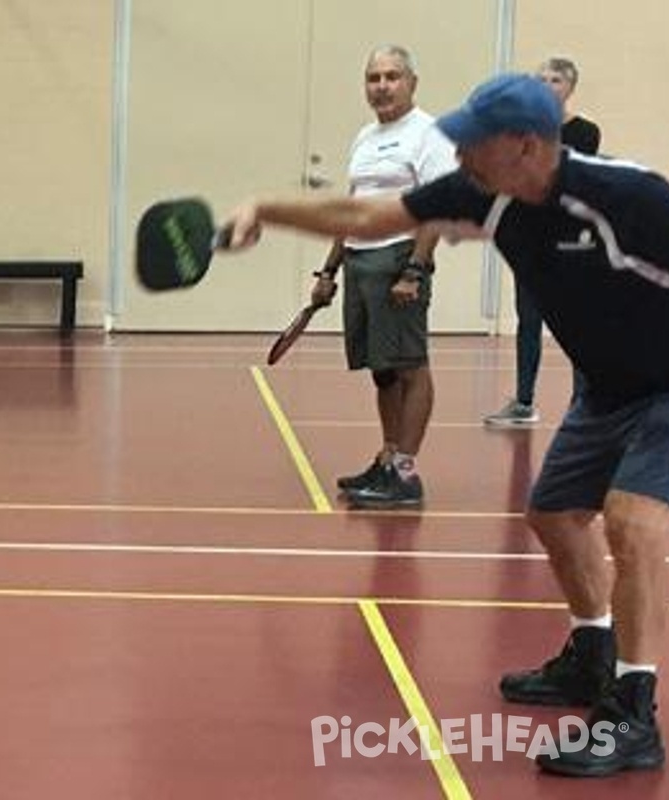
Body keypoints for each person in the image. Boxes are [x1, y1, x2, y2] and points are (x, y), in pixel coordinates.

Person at [223, 73, 669, 778]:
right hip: (608, 387)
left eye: (472, 142)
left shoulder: (630, 197)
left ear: (526, 145)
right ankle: (592, 658)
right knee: (554, 514)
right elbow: (369, 216)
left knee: (635, 521)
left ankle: (635, 712)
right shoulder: (481, 193)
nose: (456, 152)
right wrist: (263, 207)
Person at [314, 45, 457, 509]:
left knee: (410, 365)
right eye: (373, 78)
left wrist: (415, 269)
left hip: (399, 260)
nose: (382, 86)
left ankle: (406, 472)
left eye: (392, 76)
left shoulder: (429, 134)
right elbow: (352, 208)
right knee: (382, 372)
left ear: (412, 82)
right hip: (359, 261)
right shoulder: (365, 137)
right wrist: (329, 269)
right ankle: (388, 456)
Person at [483, 57, 601, 427]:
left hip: (570, 244)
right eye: (540, 80)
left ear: (569, 87)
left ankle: (584, 400)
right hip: (531, 242)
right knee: (528, 321)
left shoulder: (584, 131)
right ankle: (523, 401)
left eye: (554, 80)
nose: (546, 86)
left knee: (580, 323)